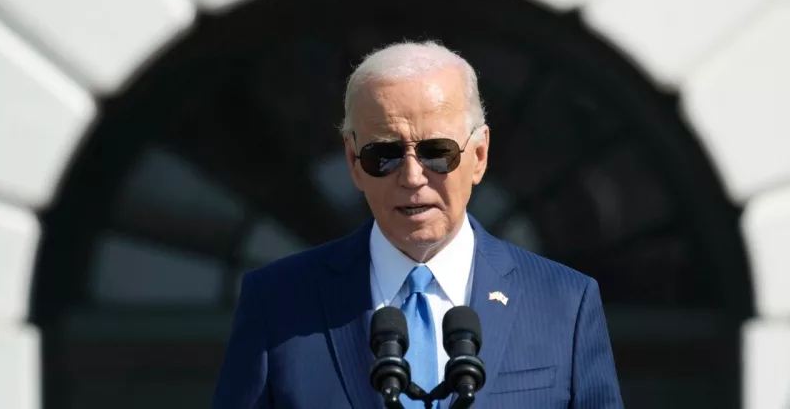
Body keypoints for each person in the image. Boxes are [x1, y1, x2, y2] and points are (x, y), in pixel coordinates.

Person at [211, 41, 624, 409]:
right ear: (354, 164)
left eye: (437, 152)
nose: (412, 177)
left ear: (479, 155)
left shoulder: (564, 303)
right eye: (384, 155)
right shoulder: (277, 302)